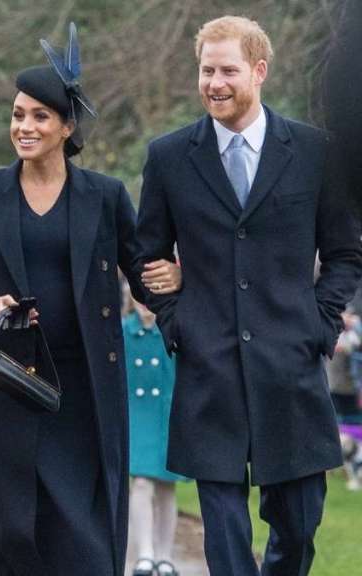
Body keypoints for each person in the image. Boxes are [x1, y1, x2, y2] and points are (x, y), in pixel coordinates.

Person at [0, 24, 180, 575]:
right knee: (8, 534)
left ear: (67, 126)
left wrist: (177, 280)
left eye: (39, 116)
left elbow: (143, 276)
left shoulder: (105, 196)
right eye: (18, 115)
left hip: (85, 391)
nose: (24, 126)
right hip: (6, 385)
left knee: (83, 541)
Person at [136, 16, 362, 575]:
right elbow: (146, 256)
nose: (214, 81)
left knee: (300, 520)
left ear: (259, 71)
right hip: (208, 367)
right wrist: (176, 321)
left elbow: (345, 253)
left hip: (290, 364)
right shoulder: (168, 157)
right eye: (206, 70)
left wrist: (320, 323)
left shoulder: (314, 152)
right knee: (224, 525)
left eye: (227, 70)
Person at [123, 299, 186, 576]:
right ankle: (145, 553)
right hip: (137, 415)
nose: (145, 304)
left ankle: (165, 555)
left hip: (167, 415)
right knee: (141, 484)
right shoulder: (124, 330)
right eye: (140, 296)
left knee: (165, 487)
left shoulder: (172, 328)